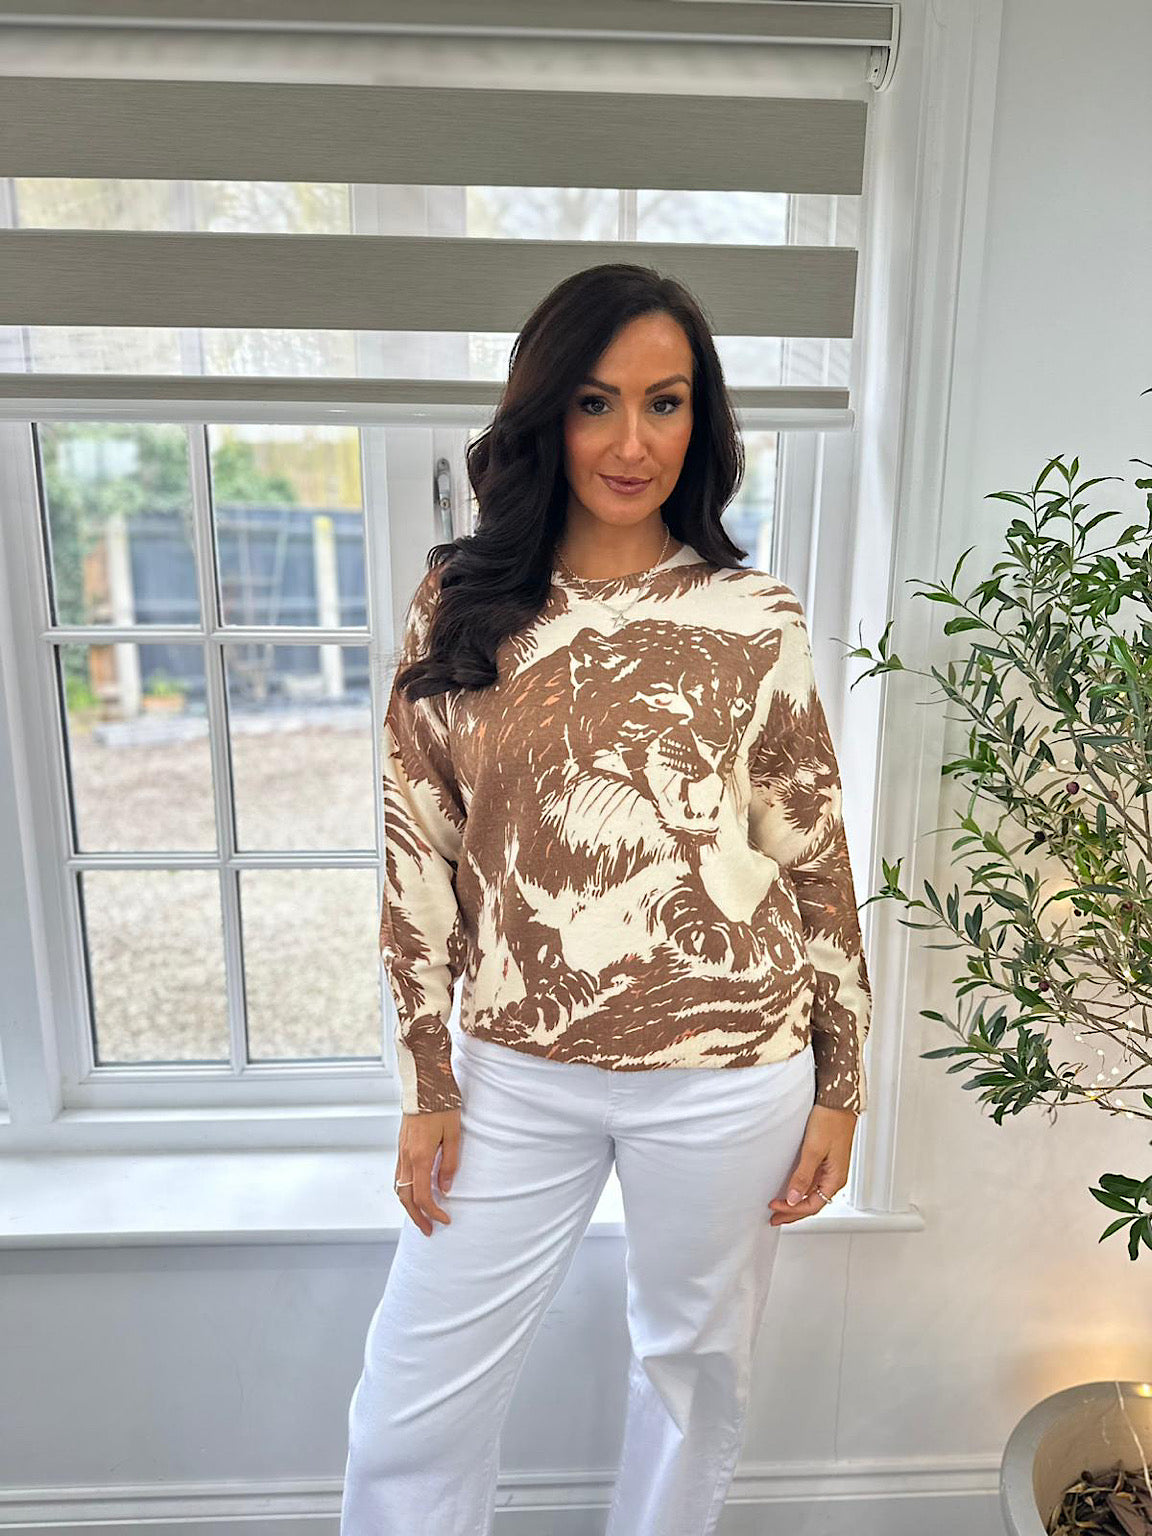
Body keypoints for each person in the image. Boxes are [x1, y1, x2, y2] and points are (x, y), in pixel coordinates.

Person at [339, 262, 872, 1536]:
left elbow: (809, 849)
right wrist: (425, 1082)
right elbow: (418, 848)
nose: (633, 443)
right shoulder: (463, 603)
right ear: (547, 414)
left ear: (701, 420)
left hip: (731, 1069)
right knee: (411, 1408)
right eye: (595, 403)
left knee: (693, 1376)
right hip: (514, 1069)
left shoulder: (754, 614)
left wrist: (843, 1084)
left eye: (664, 403)